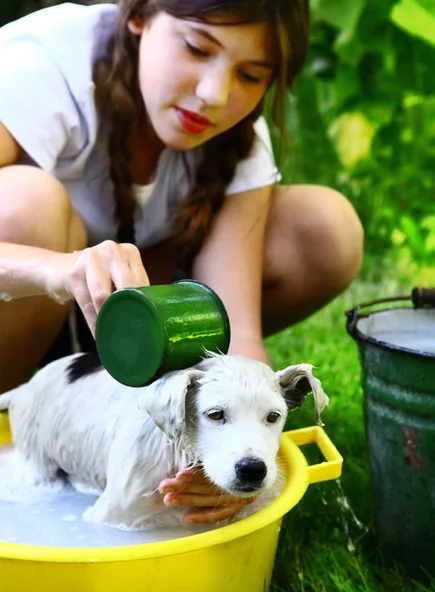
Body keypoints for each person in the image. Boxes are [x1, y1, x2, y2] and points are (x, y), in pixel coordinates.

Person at [0, 0, 363, 524]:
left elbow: (237, 339)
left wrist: (235, 458)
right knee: (27, 204)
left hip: (121, 339)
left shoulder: (238, 140)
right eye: (197, 47)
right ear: (139, 15)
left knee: (323, 227)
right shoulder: (40, 68)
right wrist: (54, 269)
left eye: (250, 74)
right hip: (22, 306)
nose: (214, 95)